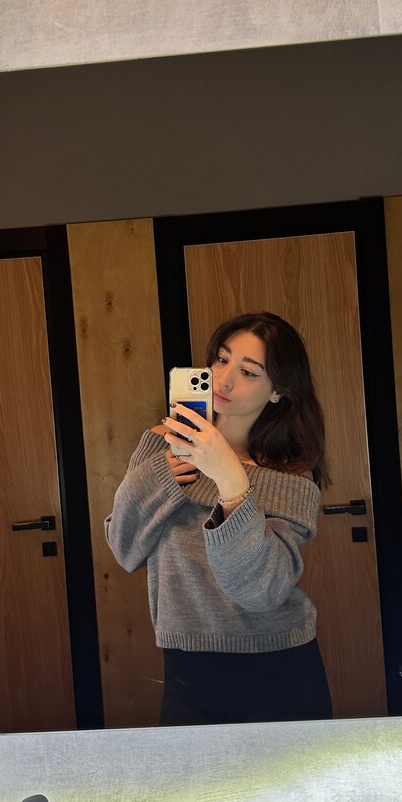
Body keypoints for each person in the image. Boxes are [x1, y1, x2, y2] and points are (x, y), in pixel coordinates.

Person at [104, 311, 333, 726]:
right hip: (186, 669)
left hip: (278, 671)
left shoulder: (289, 478)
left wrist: (231, 481)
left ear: (278, 391)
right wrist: (157, 479)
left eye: (248, 372)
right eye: (222, 360)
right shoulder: (161, 448)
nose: (224, 381)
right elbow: (125, 548)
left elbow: (261, 591)